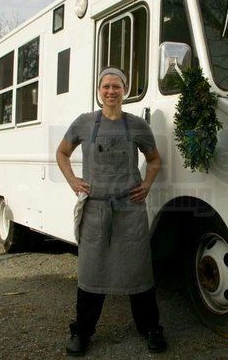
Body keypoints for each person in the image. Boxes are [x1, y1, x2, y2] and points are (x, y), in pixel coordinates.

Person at [56, 66, 166, 356]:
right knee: (92, 270)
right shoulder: (84, 123)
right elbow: (62, 153)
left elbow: (155, 161)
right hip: (96, 210)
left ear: (125, 91)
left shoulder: (137, 126)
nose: (111, 91)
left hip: (130, 211)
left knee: (138, 270)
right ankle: (82, 331)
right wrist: (72, 181)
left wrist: (147, 184)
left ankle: (151, 329)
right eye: (106, 86)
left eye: (117, 86)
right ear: (99, 91)